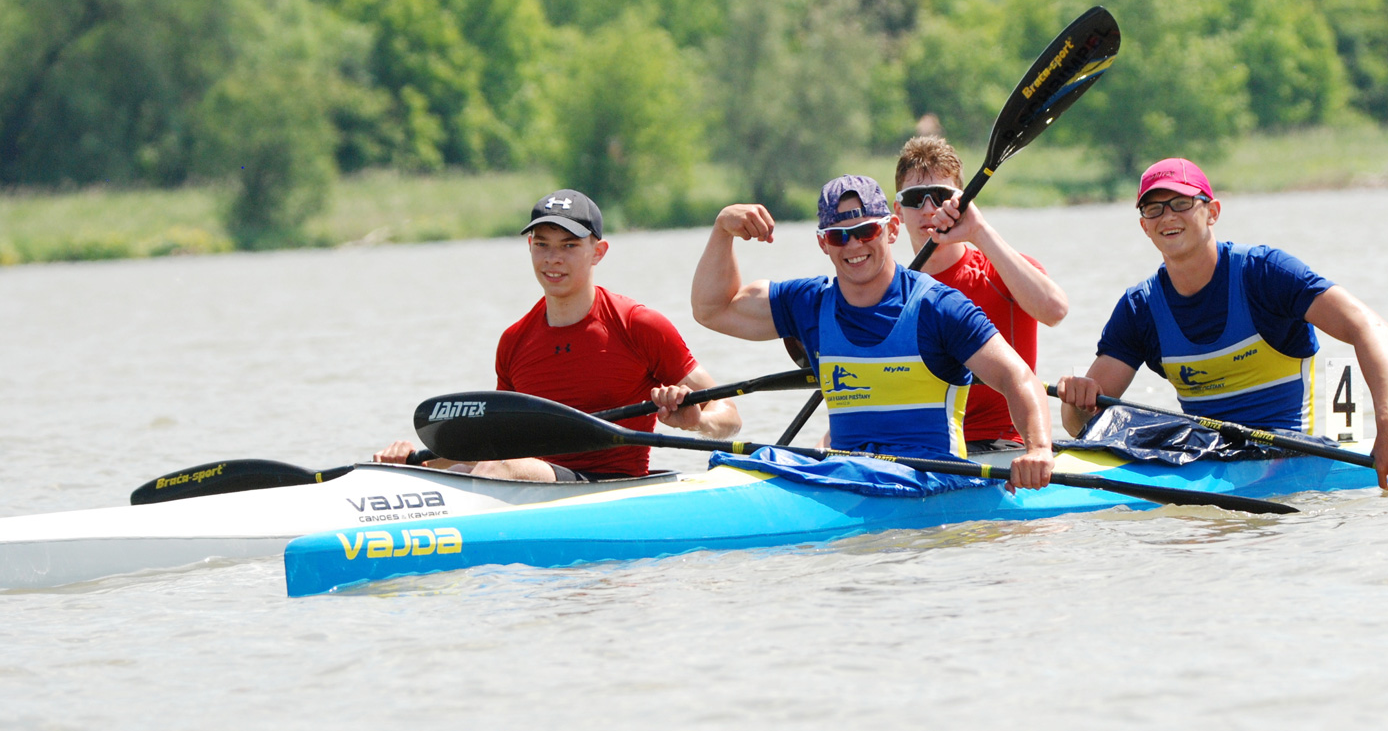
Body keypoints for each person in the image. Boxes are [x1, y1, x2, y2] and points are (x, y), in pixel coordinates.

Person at [1053, 157, 1388, 489]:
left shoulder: (1266, 274)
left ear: (1212, 211)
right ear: (1144, 226)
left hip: (1287, 455)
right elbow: (1082, 426)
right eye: (1154, 209)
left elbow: (1371, 327)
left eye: (1181, 204)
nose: (1167, 217)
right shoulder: (1140, 308)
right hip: (1204, 455)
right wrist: (1077, 400)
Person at [691, 174, 1053, 490]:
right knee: (747, 459)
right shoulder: (808, 304)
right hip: (848, 476)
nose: (853, 245)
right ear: (823, 243)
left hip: (931, 482)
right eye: (839, 236)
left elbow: (1017, 377)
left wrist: (1038, 450)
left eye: (866, 231)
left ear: (892, 229)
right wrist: (723, 229)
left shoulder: (939, 307)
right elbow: (712, 309)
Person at [376, 189, 740, 481]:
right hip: (529, 478)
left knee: (494, 470)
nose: (553, 258)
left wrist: (699, 420)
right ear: (529, 247)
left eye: (569, 245)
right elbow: (497, 440)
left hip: (611, 488)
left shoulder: (638, 325)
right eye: (542, 244)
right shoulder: (514, 340)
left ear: (598, 252)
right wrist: (413, 462)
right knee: (457, 471)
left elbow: (729, 414)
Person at [893, 135, 1068, 450]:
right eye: (915, 197)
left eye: (940, 195)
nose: (929, 208)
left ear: (961, 201)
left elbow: (1055, 311)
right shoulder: (893, 292)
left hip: (1001, 443)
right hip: (927, 447)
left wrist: (979, 232)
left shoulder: (1000, 270)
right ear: (898, 209)